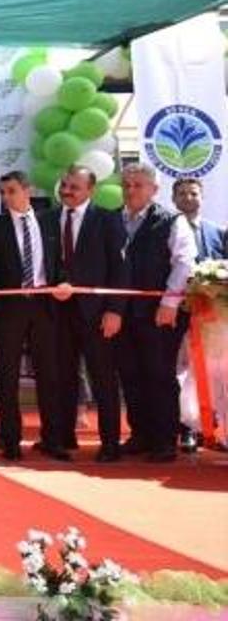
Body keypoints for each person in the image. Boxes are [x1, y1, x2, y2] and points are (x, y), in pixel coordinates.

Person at [0, 171, 65, 461]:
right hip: (9, 309)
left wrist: (64, 282)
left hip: (44, 306)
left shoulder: (51, 221)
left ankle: (53, 440)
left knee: (49, 375)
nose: (6, 197)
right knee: (8, 376)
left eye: (11, 190)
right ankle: (11, 441)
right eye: (2, 192)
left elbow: (59, 262)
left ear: (28, 190)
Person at [43, 166, 127, 462]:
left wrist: (115, 311)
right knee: (62, 377)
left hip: (97, 314)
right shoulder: (47, 218)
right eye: (64, 185)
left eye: (74, 187)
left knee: (103, 379)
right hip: (57, 313)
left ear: (91, 190)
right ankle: (63, 438)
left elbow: (120, 269)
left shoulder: (108, 220)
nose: (66, 191)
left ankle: (110, 443)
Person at [116, 163, 197, 463]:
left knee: (159, 375)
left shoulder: (172, 221)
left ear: (154, 190)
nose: (130, 190)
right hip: (123, 314)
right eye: (126, 185)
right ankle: (140, 434)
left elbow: (184, 262)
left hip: (160, 313)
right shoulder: (112, 219)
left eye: (138, 185)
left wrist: (169, 303)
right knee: (130, 374)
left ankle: (164, 440)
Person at [171, 177, 225, 453]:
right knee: (182, 372)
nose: (188, 197)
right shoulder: (166, 228)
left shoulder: (218, 232)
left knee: (214, 372)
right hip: (178, 312)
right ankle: (187, 429)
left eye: (193, 193)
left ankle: (213, 426)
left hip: (212, 316)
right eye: (182, 193)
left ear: (202, 197)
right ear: (173, 199)